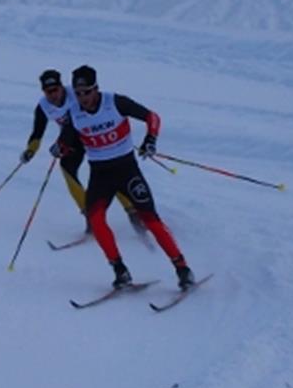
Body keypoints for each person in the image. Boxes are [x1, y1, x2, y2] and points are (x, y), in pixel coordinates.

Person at [55, 65, 196, 290]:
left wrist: (150, 139)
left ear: (96, 89)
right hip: (100, 174)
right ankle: (120, 270)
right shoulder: (74, 114)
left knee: (151, 220)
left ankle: (183, 269)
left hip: (127, 170)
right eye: (79, 93)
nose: (83, 98)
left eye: (87, 92)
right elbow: (66, 141)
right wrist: (60, 148)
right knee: (96, 219)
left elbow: (152, 117)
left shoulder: (115, 102)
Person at [20, 69, 144, 235]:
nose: (53, 95)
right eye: (48, 92)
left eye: (55, 89)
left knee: (109, 172)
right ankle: (90, 216)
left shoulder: (77, 93)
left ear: (62, 87)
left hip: (93, 136)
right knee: (67, 168)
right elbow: (37, 133)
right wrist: (30, 151)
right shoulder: (43, 107)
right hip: (72, 141)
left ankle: (133, 211)